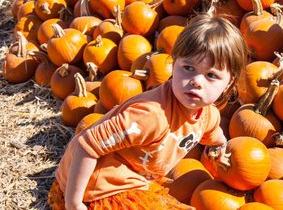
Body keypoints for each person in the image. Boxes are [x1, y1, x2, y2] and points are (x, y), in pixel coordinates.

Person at [47, 12, 249, 210]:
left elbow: (211, 131)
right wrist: (74, 203)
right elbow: (87, 145)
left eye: (211, 75)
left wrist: (221, 145)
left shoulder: (207, 113)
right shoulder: (150, 116)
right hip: (98, 185)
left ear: (229, 82)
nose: (196, 81)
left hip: (133, 178)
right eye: (188, 68)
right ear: (174, 63)